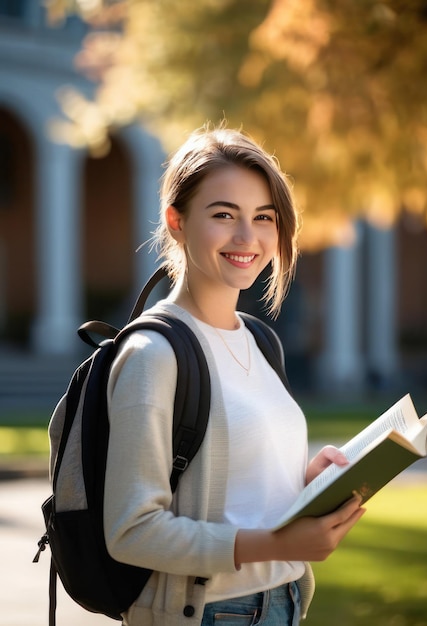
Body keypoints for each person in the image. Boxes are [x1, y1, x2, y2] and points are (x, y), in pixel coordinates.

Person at [104, 125, 366, 626]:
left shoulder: (260, 340)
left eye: (263, 218)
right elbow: (131, 530)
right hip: (212, 613)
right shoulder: (153, 354)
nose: (248, 237)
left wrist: (303, 484)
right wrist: (276, 543)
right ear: (176, 221)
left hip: (285, 600)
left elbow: (233, 488)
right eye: (224, 215)